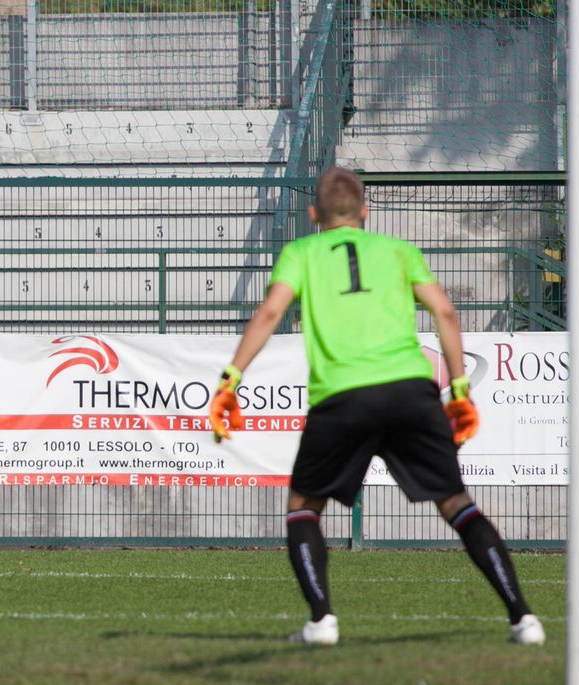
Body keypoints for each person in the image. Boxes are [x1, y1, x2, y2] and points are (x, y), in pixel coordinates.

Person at [210, 167, 545, 646]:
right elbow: (445, 312)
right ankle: (523, 619)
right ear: (365, 212)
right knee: (456, 503)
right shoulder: (398, 251)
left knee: (304, 506)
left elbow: (269, 313)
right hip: (410, 390)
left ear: (313, 215)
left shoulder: (300, 252)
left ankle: (322, 621)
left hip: (343, 394)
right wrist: (461, 390)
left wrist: (231, 379)